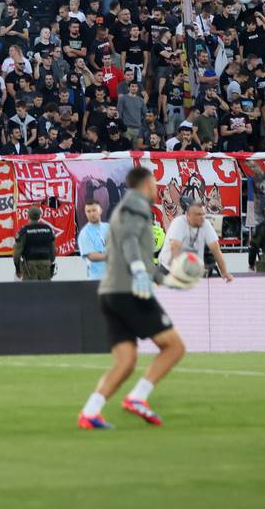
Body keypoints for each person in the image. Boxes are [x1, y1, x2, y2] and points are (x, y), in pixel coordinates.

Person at [78, 166, 186, 430]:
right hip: (129, 290)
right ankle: (137, 397)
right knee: (174, 348)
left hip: (110, 292)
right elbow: (128, 243)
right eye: (155, 183)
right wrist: (138, 270)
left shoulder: (123, 210)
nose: (157, 188)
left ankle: (90, 413)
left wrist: (167, 280)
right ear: (147, 183)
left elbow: (133, 252)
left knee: (126, 361)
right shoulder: (136, 205)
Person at [162, 199, 233, 283]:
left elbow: (216, 249)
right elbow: (175, 248)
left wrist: (224, 272)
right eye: (198, 214)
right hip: (168, 267)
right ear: (188, 215)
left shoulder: (206, 224)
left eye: (203, 214)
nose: (202, 217)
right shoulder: (178, 223)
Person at [12, 206, 56, 280]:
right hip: (46, 264)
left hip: (29, 266)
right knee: (45, 287)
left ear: (28, 216)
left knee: (30, 287)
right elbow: (53, 250)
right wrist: (50, 262)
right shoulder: (48, 229)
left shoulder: (24, 230)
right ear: (39, 216)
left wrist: (18, 269)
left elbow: (16, 253)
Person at [77, 200, 109, 280]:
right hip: (96, 279)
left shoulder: (109, 227)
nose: (91, 214)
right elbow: (91, 256)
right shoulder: (85, 233)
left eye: (94, 210)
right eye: (88, 211)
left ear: (100, 210)